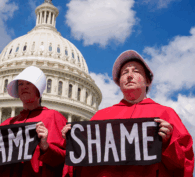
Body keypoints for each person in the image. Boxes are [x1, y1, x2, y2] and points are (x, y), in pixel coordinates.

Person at [61, 50, 194, 177]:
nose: (129, 75)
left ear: (148, 81)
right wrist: (74, 143)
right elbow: (81, 165)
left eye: (136, 71)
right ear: (119, 82)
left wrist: (167, 143)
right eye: (125, 72)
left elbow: (184, 164)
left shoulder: (165, 114)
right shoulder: (101, 117)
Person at [0, 66, 68, 177]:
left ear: (38, 88)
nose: (24, 87)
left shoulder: (54, 117)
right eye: (20, 84)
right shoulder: (7, 123)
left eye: (28, 83)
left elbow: (64, 160)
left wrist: (45, 146)